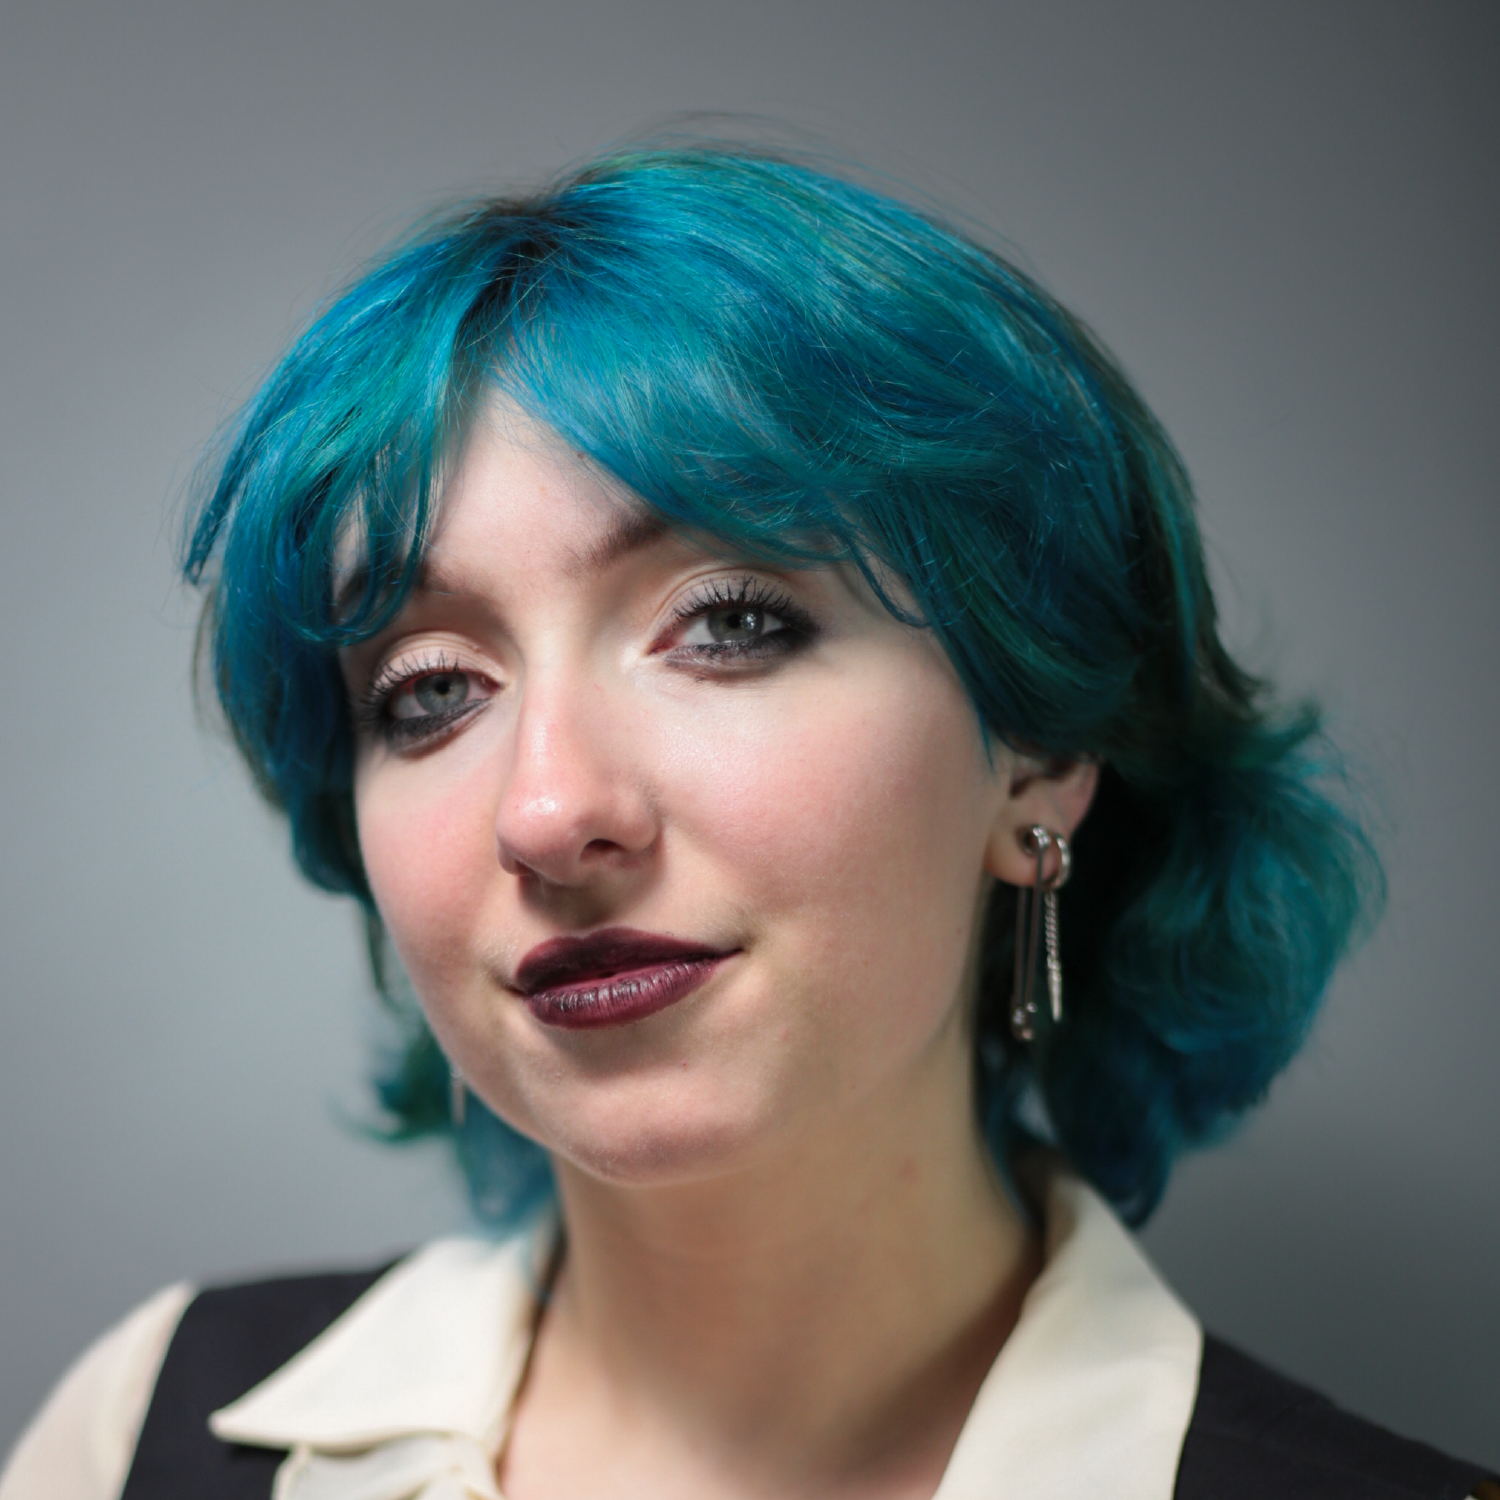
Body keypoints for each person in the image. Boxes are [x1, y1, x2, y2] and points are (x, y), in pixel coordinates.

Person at [2, 141, 1492, 1500]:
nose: (549, 809)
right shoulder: (140, 1437)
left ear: (1036, 755)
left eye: (724, 623)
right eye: (429, 691)